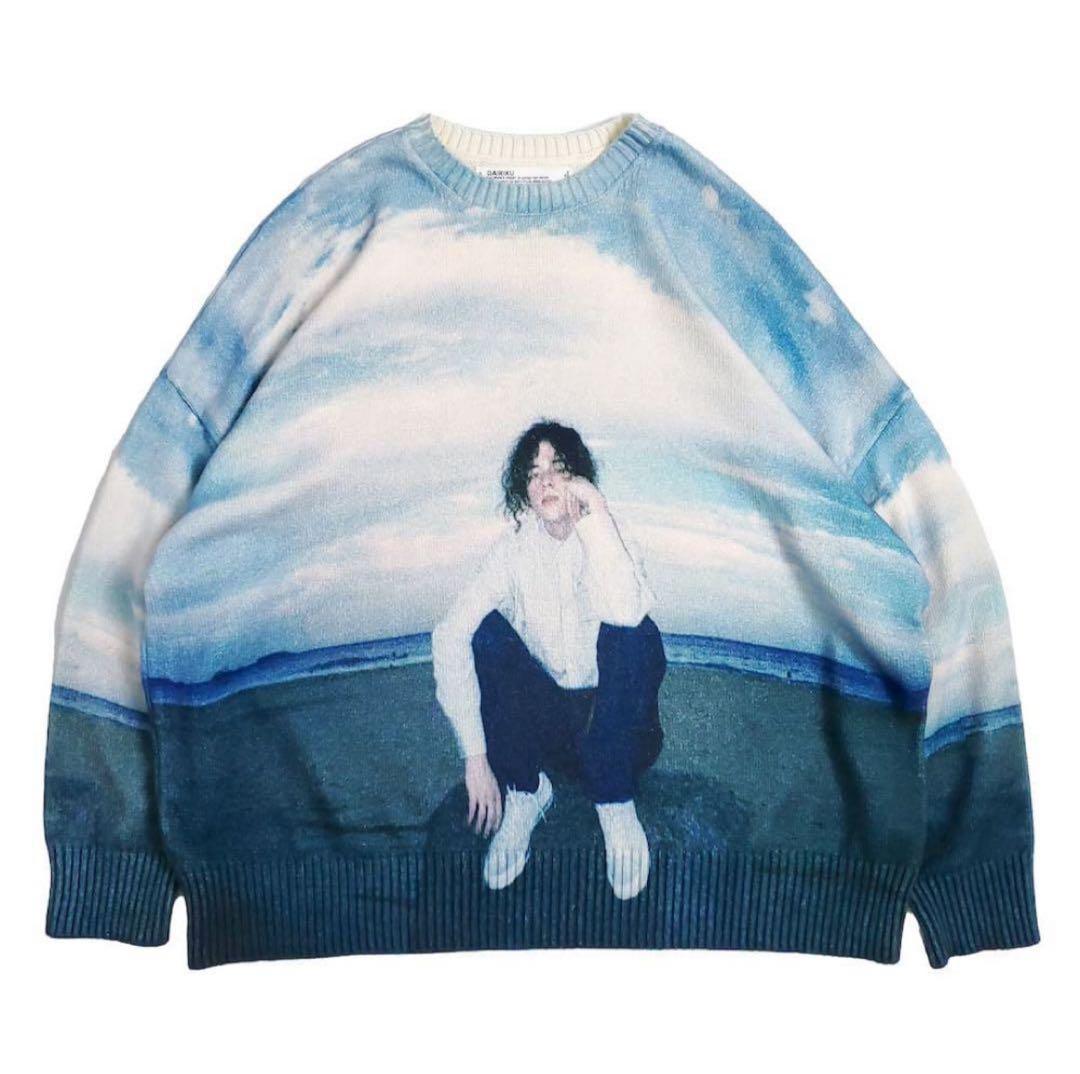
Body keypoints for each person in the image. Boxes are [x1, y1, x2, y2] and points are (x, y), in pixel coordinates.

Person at [431, 421, 667, 899]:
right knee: (485, 633)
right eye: (533, 474)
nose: (545, 482)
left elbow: (626, 613)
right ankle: (527, 791)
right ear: (524, 489)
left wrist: (595, 513)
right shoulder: (512, 551)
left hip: (620, 726)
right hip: (552, 729)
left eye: (558, 468)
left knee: (637, 633)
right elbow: (449, 634)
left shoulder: (611, 536)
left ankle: (615, 803)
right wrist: (475, 758)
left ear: (579, 477)